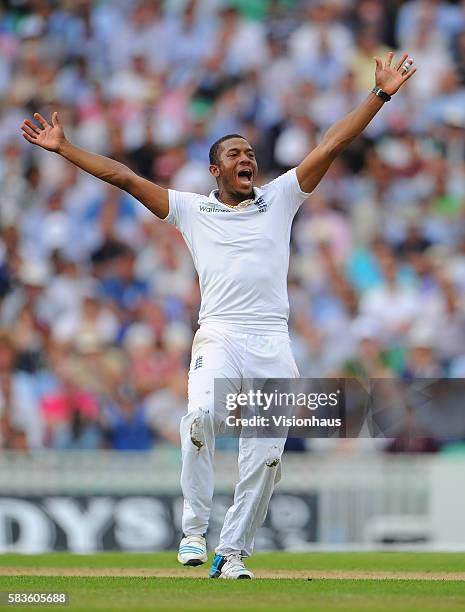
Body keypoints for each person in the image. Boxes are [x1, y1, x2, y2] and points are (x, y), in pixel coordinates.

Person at [20, 52, 416, 579]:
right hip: (222, 334)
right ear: (215, 169)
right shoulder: (189, 208)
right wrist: (64, 148)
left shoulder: (280, 198)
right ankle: (192, 532)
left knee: (267, 456)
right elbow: (122, 176)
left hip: (272, 339)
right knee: (201, 417)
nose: (246, 158)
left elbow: (333, 144)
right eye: (234, 153)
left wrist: (380, 95)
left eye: (250, 152)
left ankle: (232, 554)